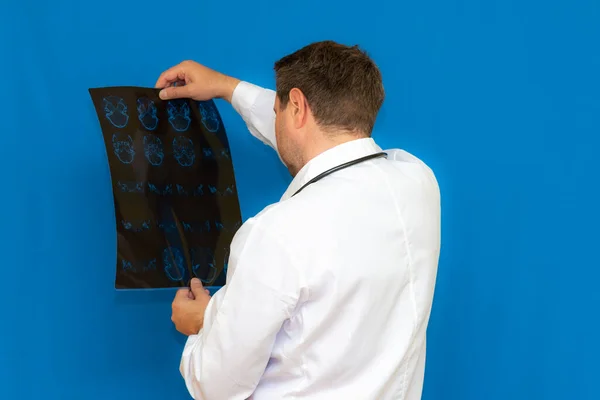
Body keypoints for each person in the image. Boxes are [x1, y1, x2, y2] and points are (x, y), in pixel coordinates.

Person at [159, 40, 441, 400]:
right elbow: (330, 149)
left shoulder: (275, 234)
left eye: (280, 109)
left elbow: (216, 386)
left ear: (297, 107)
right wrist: (229, 88)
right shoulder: (418, 182)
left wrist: (203, 325)